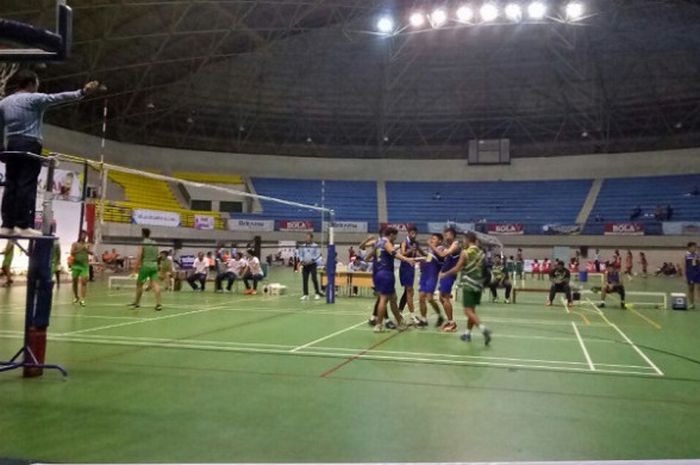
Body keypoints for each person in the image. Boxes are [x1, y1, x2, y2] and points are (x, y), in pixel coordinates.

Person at [0, 69, 100, 236]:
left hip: (12, 145)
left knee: (11, 185)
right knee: (26, 185)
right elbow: (58, 97)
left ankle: (6, 225)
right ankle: (22, 226)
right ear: (31, 84)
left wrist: (0, 148)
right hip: (30, 145)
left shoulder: (4, 103)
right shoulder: (33, 99)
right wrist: (81, 92)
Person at [440, 231, 492, 345]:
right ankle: (467, 334)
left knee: (467, 311)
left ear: (468, 240)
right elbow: (486, 270)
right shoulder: (481, 253)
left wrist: (445, 274)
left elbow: (457, 268)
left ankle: (483, 329)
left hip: (469, 284)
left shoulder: (465, 252)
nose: (463, 242)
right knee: (472, 311)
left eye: (464, 240)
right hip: (479, 285)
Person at [371, 226, 413, 332]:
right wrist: (406, 259)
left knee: (393, 299)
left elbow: (370, 257)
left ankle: (399, 322)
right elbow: (393, 253)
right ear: (391, 235)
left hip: (378, 273)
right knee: (384, 299)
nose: (395, 238)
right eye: (395, 236)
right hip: (386, 273)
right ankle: (379, 325)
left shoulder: (377, 243)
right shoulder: (386, 242)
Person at [432, 227, 462, 332]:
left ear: (453, 235)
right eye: (445, 235)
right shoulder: (448, 246)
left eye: (447, 235)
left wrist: (433, 246)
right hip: (444, 275)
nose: (446, 237)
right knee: (441, 298)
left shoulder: (456, 244)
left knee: (445, 298)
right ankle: (449, 321)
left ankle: (452, 323)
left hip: (449, 275)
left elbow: (443, 254)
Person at [128, 228, 162, 311]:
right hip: (154, 265)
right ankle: (158, 304)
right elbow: (158, 256)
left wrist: (134, 270)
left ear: (143, 234)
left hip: (146, 265)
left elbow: (139, 256)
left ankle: (137, 303)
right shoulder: (155, 243)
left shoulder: (142, 243)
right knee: (155, 284)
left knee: (139, 284)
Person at [417, 233, 445, 328]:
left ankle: (440, 315)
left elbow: (440, 256)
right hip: (424, 275)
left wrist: (431, 245)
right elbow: (426, 256)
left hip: (432, 276)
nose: (431, 240)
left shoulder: (441, 249)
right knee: (421, 297)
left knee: (429, 298)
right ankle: (423, 319)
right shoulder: (430, 250)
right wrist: (418, 248)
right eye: (431, 238)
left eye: (434, 238)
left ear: (440, 241)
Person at [398, 226, 422, 324]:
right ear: (408, 233)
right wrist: (411, 250)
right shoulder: (404, 242)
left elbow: (421, 253)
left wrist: (428, 257)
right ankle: (412, 315)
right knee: (409, 291)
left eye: (415, 233)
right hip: (405, 268)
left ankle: (399, 311)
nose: (414, 235)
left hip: (412, 268)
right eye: (412, 233)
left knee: (407, 291)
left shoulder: (416, 243)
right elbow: (403, 253)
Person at [297, 233, 323, 300]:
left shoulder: (315, 246)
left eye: (308, 238)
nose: (307, 239)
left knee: (314, 278)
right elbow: (300, 254)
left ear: (311, 238)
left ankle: (317, 293)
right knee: (305, 279)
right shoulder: (302, 246)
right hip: (305, 265)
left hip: (312, 264)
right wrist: (302, 261)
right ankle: (305, 294)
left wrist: (312, 260)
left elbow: (318, 254)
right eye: (306, 237)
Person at [70, 230, 91, 307]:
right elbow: (72, 253)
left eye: (85, 235)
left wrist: (87, 250)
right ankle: (76, 297)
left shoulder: (87, 244)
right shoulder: (75, 244)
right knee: (74, 281)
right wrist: (81, 249)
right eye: (82, 234)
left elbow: (91, 252)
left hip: (84, 265)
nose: (84, 236)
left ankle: (82, 300)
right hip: (76, 264)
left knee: (84, 282)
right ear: (79, 235)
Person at [685, 242, 700, 310]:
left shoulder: (697, 254)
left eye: (695, 247)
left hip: (698, 272)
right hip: (690, 273)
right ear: (689, 247)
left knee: (699, 288)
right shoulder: (686, 255)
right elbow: (684, 265)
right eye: (694, 247)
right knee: (691, 288)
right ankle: (691, 304)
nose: (695, 248)